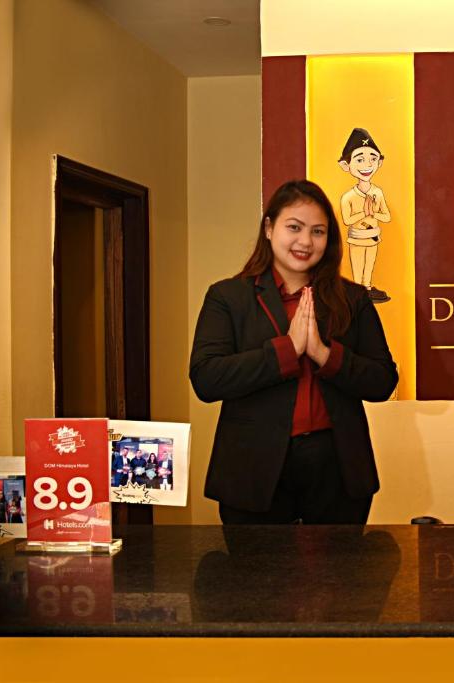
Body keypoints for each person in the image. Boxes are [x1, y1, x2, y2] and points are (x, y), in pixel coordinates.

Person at [190, 179, 398, 524]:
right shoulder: (228, 297)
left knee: (339, 578)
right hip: (253, 468)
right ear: (269, 228)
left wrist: (322, 353)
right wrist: (287, 351)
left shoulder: (354, 300)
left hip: (337, 467)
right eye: (294, 228)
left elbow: (382, 382)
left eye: (318, 231)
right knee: (257, 577)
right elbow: (207, 379)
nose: (305, 241)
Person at [337, 128, 392, 303]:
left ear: (379, 162)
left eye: (372, 159)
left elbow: (386, 216)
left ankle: (367, 287)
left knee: (369, 265)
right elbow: (347, 220)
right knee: (358, 264)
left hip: (373, 236)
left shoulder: (378, 193)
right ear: (346, 165)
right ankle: (357, 290)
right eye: (360, 159)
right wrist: (364, 212)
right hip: (357, 238)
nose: (367, 165)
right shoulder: (348, 197)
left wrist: (374, 211)